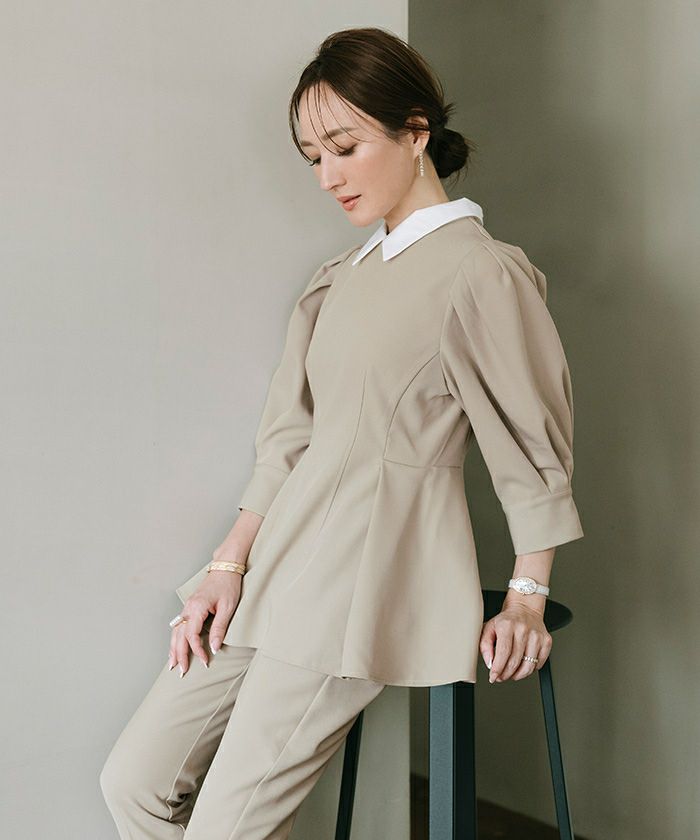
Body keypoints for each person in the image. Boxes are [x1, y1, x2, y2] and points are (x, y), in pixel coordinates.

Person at [100, 26, 584, 839]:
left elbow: (530, 448)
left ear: (415, 132)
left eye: (345, 148)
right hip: (276, 566)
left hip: (363, 580)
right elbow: (288, 442)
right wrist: (227, 565)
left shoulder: (480, 271)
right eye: (313, 157)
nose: (328, 176)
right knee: (134, 784)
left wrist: (526, 597)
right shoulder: (340, 277)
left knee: (226, 829)